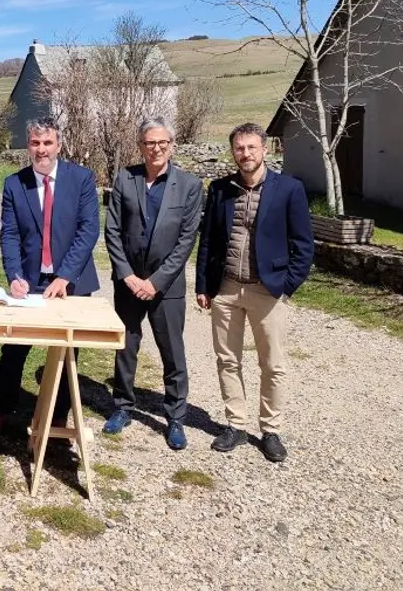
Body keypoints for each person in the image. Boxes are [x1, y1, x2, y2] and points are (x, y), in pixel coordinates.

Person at [196, 122, 314, 462]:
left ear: (265, 149)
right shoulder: (220, 189)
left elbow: (304, 246)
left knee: (273, 364)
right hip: (228, 288)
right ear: (233, 151)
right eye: (239, 148)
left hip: (268, 290)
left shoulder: (289, 189)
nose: (244, 154)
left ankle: (271, 430)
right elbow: (209, 241)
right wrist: (204, 284)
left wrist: (287, 285)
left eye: (251, 148)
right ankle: (235, 424)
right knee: (227, 360)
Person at [0, 117, 100, 437]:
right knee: (14, 349)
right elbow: (9, 235)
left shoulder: (82, 179)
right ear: (28, 146)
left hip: (71, 283)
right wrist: (14, 276)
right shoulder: (14, 184)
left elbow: (88, 230)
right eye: (35, 143)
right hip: (31, 282)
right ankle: (2, 411)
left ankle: (58, 416)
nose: (41, 149)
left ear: (59, 145)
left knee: (65, 353)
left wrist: (64, 276)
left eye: (47, 142)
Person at [103, 117, 203, 450]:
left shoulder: (188, 185)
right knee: (126, 347)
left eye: (162, 143)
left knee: (172, 351)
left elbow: (186, 240)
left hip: (167, 287)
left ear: (172, 145)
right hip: (128, 283)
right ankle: (123, 407)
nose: (156, 148)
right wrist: (128, 276)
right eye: (149, 143)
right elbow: (113, 231)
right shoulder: (125, 179)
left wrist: (156, 282)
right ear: (141, 146)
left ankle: (175, 417)